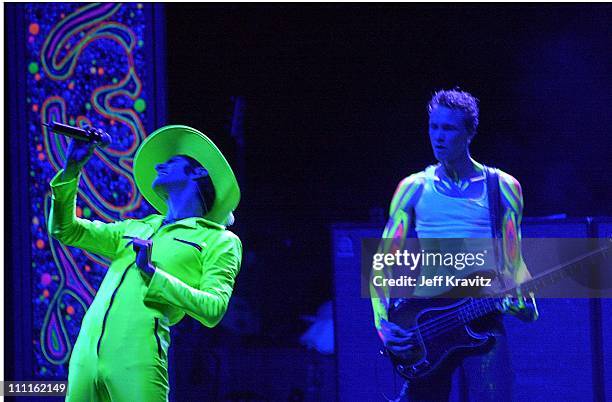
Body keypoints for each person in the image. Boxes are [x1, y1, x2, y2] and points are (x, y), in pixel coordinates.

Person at [48, 125, 242, 401]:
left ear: (198, 172)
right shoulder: (137, 227)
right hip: (85, 355)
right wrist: (72, 168)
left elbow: (213, 309)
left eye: (172, 162)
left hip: (138, 356)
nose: (161, 164)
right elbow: (66, 230)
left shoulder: (219, 240)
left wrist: (153, 274)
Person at [370, 89, 538, 401]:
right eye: (434, 127)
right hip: (427, 320)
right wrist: (384, 326)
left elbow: (513, 261)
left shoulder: (502, 186)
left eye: (448, 128)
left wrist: (525, 299)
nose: (438, 136)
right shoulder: (413, 188)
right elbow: (383, 262)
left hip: (483, 316)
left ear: (469, 132)